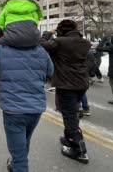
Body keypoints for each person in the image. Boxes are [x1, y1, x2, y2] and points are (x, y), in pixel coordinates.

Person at [0, 18, 53, 172]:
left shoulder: (0, 50)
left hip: (13, 110)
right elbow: (50, 72)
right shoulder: (41, 51)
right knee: (24, 142)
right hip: (36, 108)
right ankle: (14, 164)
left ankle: (17, 165)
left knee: (19, 156)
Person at [40, 20, 91, 164]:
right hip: (81, 83)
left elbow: (41, 43)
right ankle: (69, 138)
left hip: (66, 84)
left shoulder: (59, 42)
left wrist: (48, 33)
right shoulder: (85, 43)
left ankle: (80, 151)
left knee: (69, 116)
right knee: (72, 112)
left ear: (61, 30)